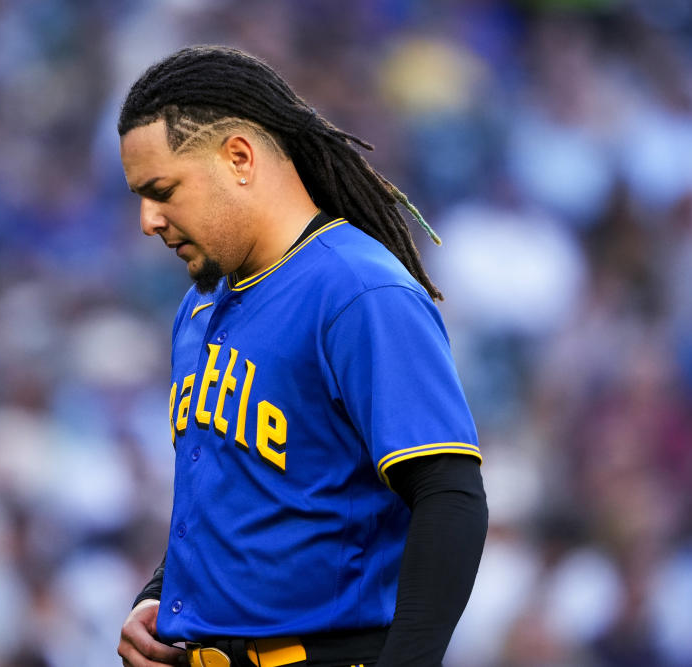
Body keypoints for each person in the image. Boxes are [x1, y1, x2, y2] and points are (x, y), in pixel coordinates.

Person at [115, 45, 488, 667]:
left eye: (162, 190)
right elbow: (243, 493)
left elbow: (450, 496)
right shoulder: (201, 306)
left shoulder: (358, 290)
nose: (148, 220)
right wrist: (162, 597)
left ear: (238, 158)